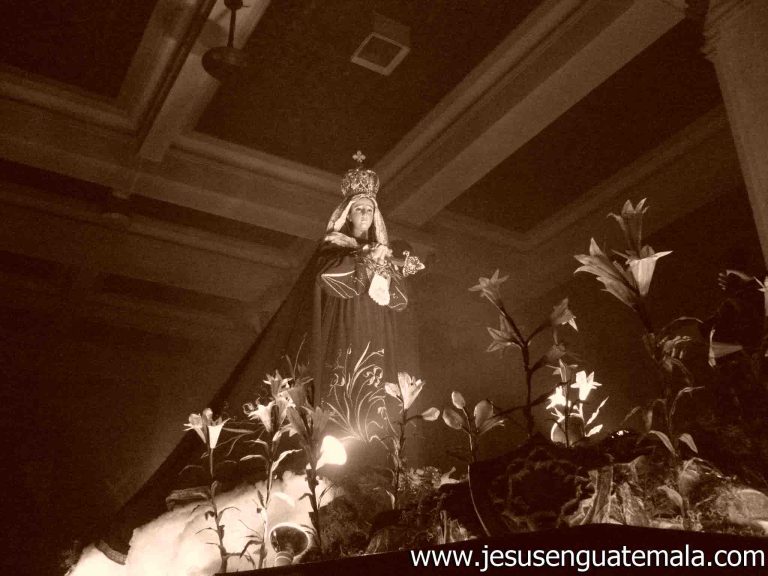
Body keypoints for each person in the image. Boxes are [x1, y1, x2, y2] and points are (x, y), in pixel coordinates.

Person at [94, 152, 422, 564]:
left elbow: (397, 301)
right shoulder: (333, 250)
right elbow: (329, 280)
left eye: (369, 211)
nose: (363, 216)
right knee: (324, 410)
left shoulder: (381, 253)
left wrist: (388, 268)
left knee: (372, 419)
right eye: (357, 209)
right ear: (345, 214)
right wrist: (363, 263)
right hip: (336, 339)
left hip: (369, 342)